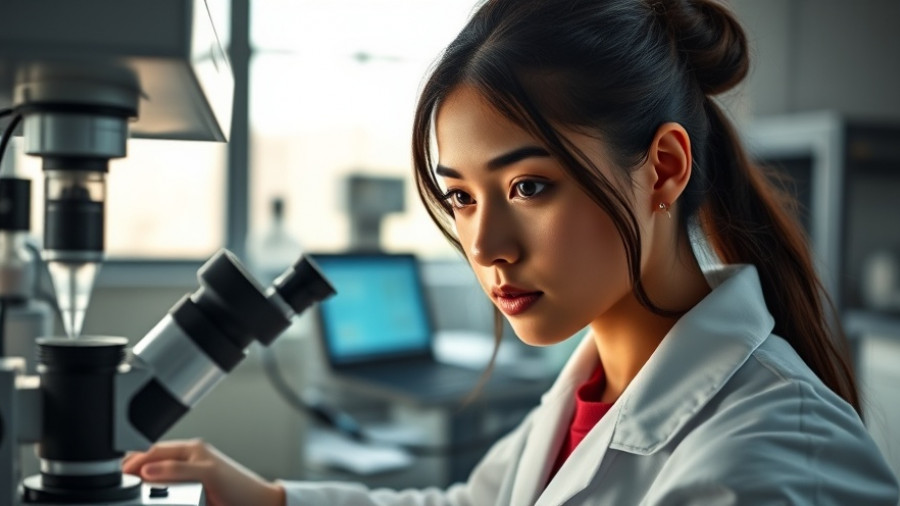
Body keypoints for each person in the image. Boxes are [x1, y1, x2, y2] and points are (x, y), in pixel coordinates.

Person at [123, 0, 900, 504]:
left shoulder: (764, 464)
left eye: (528, 186)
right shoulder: (596, 387)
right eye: (461, 197)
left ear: (662, 169)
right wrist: (268, 499)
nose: (484, 246)